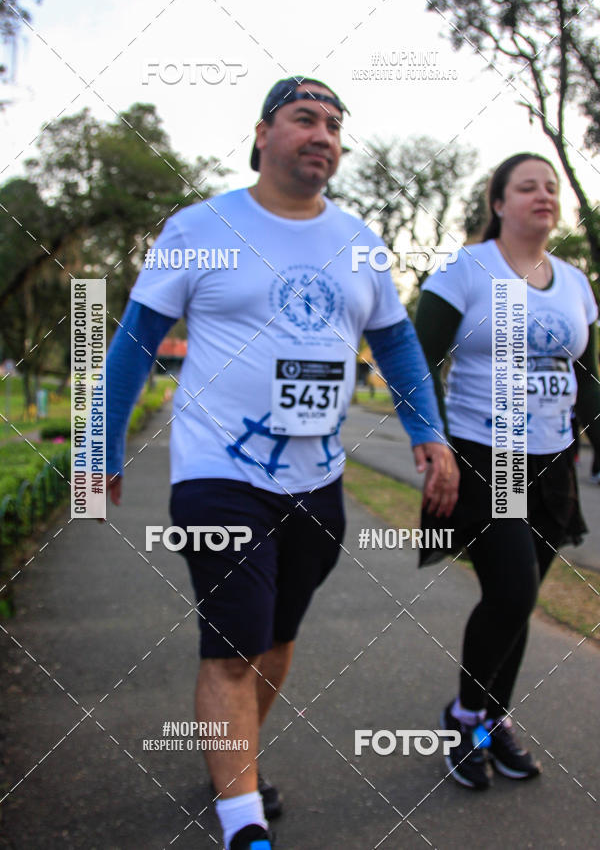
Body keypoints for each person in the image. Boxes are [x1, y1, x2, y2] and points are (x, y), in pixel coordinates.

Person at [104, 76, 458, 849]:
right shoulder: (201, 227)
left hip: (317, 480)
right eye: (305, 118)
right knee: (234, 641)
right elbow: (134, 338)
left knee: (275, 637)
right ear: (262, 133)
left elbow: (395, 342)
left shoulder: (359, 240)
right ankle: (244, 823)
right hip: (218, 475)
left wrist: (427, 432)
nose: (323, 134)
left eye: (335, 124)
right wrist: (100, 444)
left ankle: (233, 769)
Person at [415, 153, 600, 790]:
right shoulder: (467, 272)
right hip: (486, 458)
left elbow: (586, 380)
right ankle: (464, 717)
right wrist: (433, 446)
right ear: (498, 202)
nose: (544, 195)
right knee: (514, 591)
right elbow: (417, 367)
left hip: (551, 463)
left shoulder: (576, 283)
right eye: (528, 187)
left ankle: (493, 721)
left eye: (551, 187)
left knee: (517, 603)